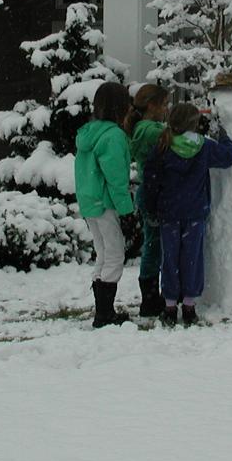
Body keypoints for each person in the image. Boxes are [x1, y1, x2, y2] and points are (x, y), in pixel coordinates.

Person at [141, 103, 232, 326]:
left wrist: (151, 207)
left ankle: (170, 306)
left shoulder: (163, 146)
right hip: (195, 212)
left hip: (169, 213)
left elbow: (151, 180)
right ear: (195, 123)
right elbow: (229, 156)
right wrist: (223, 135)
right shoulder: (204, 147)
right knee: (192, 258)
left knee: (170, 258)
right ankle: (190, 306)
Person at [74, 81, 135, 328]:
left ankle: (103, 310)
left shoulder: (88, 133)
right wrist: (127, 211)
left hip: (90, 202)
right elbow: (116, 179)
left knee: (103, 253)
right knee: (115, 254)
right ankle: (105, 314)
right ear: (121, 106)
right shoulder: (114, 137)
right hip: (107, 203)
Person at [127, 84, 169, 317]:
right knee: (153, 247)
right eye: (164, 105)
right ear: (151, 105)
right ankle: (150, 299)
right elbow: (173, 137)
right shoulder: (147, 130)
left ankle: (152, 297)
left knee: (154, 244)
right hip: (152, 194)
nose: (166, 110)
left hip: (152, 192)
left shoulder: (148, 127)